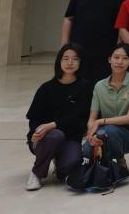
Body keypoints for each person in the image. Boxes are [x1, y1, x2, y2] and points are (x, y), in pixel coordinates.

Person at [24, 44, 92, 191]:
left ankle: (57, 161)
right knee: (55, 136)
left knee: (71, 164)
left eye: (75, 59)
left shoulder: (85, 87)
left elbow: (78, 116)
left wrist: (53, 124)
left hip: (71, 137)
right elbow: (33, 117)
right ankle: (37, 173)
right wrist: (36, 131)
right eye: (65, 58)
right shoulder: (46, 88)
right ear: (59, 61)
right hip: (45, 138)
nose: (70, 62)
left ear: (80, 62)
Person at [61, 0, 128, 83]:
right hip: (79, 48)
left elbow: (122, 24)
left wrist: (118, 47)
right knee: (78, 83)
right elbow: (68, 18)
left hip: (106, 50)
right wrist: (65, 44)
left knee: (102, 84)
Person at [82, 43, 129, 167]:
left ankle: (120, 160)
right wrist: (91, 135)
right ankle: (107, 164)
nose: (119, 62)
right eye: (116, 57)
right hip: (104, 132)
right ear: (110, 59)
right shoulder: (99, 86)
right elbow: (92, 119)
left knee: (110, 130)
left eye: (125, 58)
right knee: (87, 152)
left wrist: (101, 121)